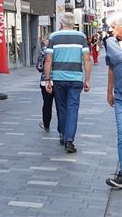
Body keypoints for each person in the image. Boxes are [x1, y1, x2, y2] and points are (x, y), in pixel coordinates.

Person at [44, 13, 91, 153]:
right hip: (76, 78)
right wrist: (87, 79)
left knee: (62, 107)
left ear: (61, 22)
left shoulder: (54, 37)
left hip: (59, 78)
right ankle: (69, 139)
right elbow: (87, 59)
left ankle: (64, 134)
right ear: (73, 23)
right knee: (73, 108)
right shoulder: (81, 37)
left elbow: (48, 60)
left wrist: (47, 79)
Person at [104, 12, 122, 189]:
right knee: (121, 134)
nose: (111, 30)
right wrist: (109, 91)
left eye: (114, 26)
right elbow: (111, 68)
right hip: (119, 96)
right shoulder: (110, 43)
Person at [36, 34, 53, 133]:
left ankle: (46, 125)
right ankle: (62, 129)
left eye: (45, 40)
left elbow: (39, 66)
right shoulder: (58, 49)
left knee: (47, 104)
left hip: (45, 81)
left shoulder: (44, 51)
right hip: (59, 80)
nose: (43, 42)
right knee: (60, 105)